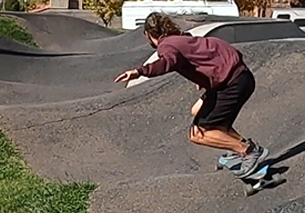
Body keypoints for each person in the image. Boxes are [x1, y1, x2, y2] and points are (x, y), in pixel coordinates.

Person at [114, 12, 268, 176]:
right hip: (241, 77)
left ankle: (247, 151)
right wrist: (204, 78)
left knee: (198, 134)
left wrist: (139, 72)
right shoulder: (184, 38)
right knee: (197, 111)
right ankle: (240, 146)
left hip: (231, 84)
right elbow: (205, 56)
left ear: (148, 34)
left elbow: (167, 62)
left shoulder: (166, 45)